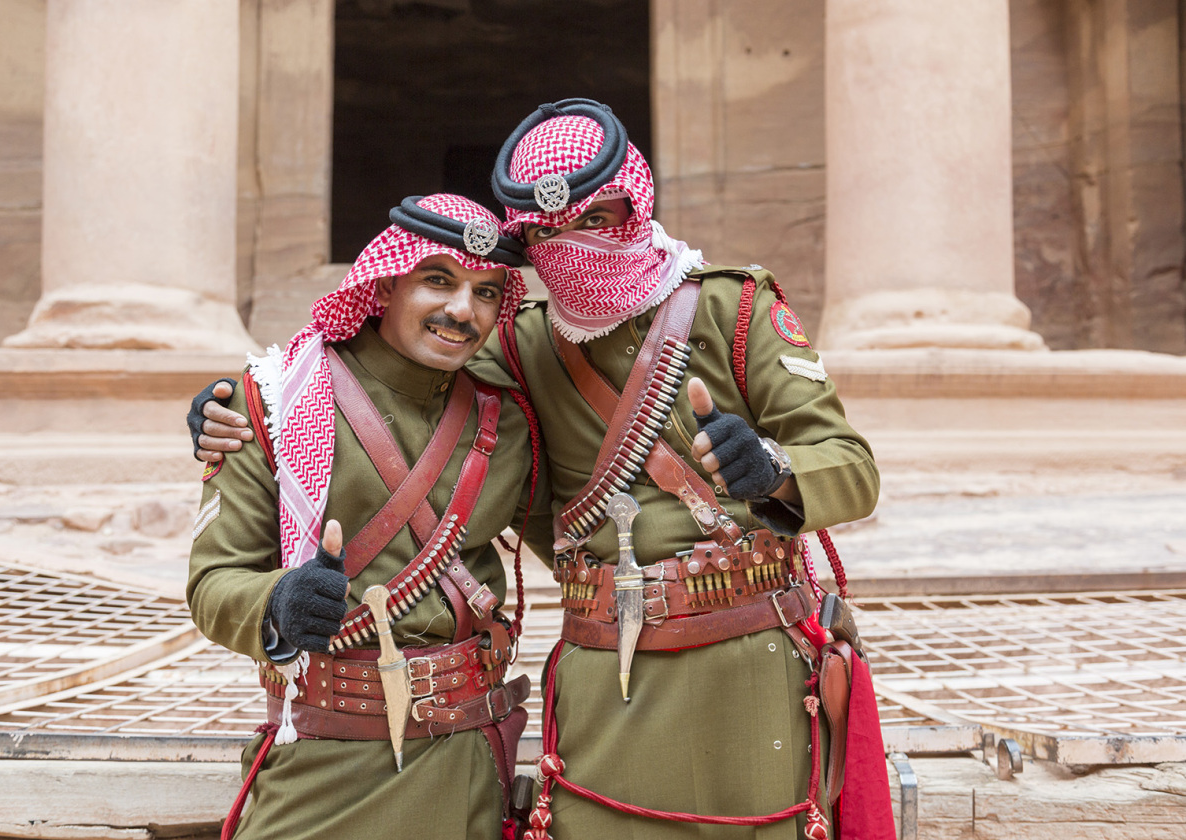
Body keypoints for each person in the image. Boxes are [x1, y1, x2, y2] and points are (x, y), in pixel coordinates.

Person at [194, 100, 893, 839]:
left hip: (749, 666)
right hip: (605, 684)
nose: (577, 246)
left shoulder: (731, 306)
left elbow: (851, 468)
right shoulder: (518, 340)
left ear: (637, 204)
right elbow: (363, 374)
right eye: (550, 234)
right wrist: (232, 410)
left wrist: (775, 469)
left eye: (597, 219)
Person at [187, 193, 550, 840]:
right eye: (437, 281)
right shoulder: (273, 400)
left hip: (465, 759)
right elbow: (214, 585)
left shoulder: (513, 423)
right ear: (383, 286)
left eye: (487, 292)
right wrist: (280, 603)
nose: (462, 310)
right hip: (323, 765)